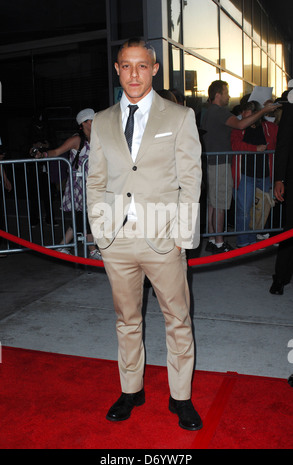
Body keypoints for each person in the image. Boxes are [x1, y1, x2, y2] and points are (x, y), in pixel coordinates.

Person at [87, 38, 202, 431]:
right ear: (117, 70)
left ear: (154, 69)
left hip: (163, 238)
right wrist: (101, 231)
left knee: (178, 318)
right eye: (126, 66)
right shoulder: (101, 121)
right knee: (126, 319)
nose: (133, 73)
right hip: (117, 240)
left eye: (141, 66)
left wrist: (183, 236)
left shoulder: (179, 117)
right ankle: (131, 388)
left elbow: (191, 180)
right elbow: (96, 180)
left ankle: (181, 397)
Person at [201, 80, 280, 254]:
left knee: (213, 204)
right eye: (227, 92)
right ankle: (220, 243)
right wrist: (263, 111)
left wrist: (263, 111)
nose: (229, 96)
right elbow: (240, 124)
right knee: (220, 203)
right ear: (218, 94)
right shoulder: (219, 111)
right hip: (220, 163)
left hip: (214, 163)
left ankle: (214, 239)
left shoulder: (210, 111)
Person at [35, 108, 101, 260]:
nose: (91, 123)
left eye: (92, 120)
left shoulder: (98, 138)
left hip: (94, 184)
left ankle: (63, 246)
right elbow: (57, 152)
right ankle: (91, 250)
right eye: (87, 121)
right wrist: (43, 155)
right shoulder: (77, 139)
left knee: (83, 217)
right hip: (79, 185)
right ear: (81, 124)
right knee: (86, 216)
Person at [231, 100, 278, 247]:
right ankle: (244, 242)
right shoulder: (238, 128)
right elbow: (235, 145)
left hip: (264, 176)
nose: (243, 114)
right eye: (243, 111)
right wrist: (255, 148)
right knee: (244, 211)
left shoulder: (270, 127)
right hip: (245, 175)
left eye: (247, 111)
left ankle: (253, 239)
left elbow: (279, 142)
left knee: (258, 212)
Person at [269, 95, 293, 295]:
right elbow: (283, 144)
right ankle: (280, 278)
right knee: (289, 231)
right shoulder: (292, 106)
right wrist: (279, 179)